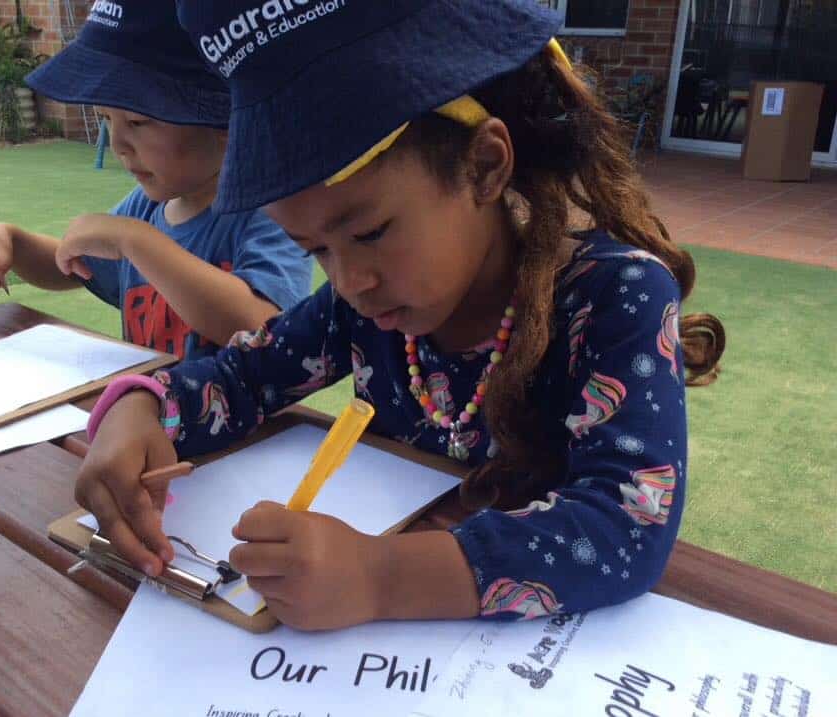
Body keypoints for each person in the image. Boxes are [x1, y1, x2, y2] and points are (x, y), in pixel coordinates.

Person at [75, 0, 725, 630]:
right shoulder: (356, 310)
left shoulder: (615, 296)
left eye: (372, 231)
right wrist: (140, 408)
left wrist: (378, 575)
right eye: (316, 251)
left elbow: (625, 522)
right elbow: (244, 375)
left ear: (485, 166)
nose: (350, 280)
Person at [0, 0, 312, 359]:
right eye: (106, 119)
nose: (118, 144)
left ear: (225, 119)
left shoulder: (269, 209)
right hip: (149, 413)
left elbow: (265, 328)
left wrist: (134, 241)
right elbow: (75, 266)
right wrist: (15, 244)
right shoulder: (148, 207)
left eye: (137, 122)